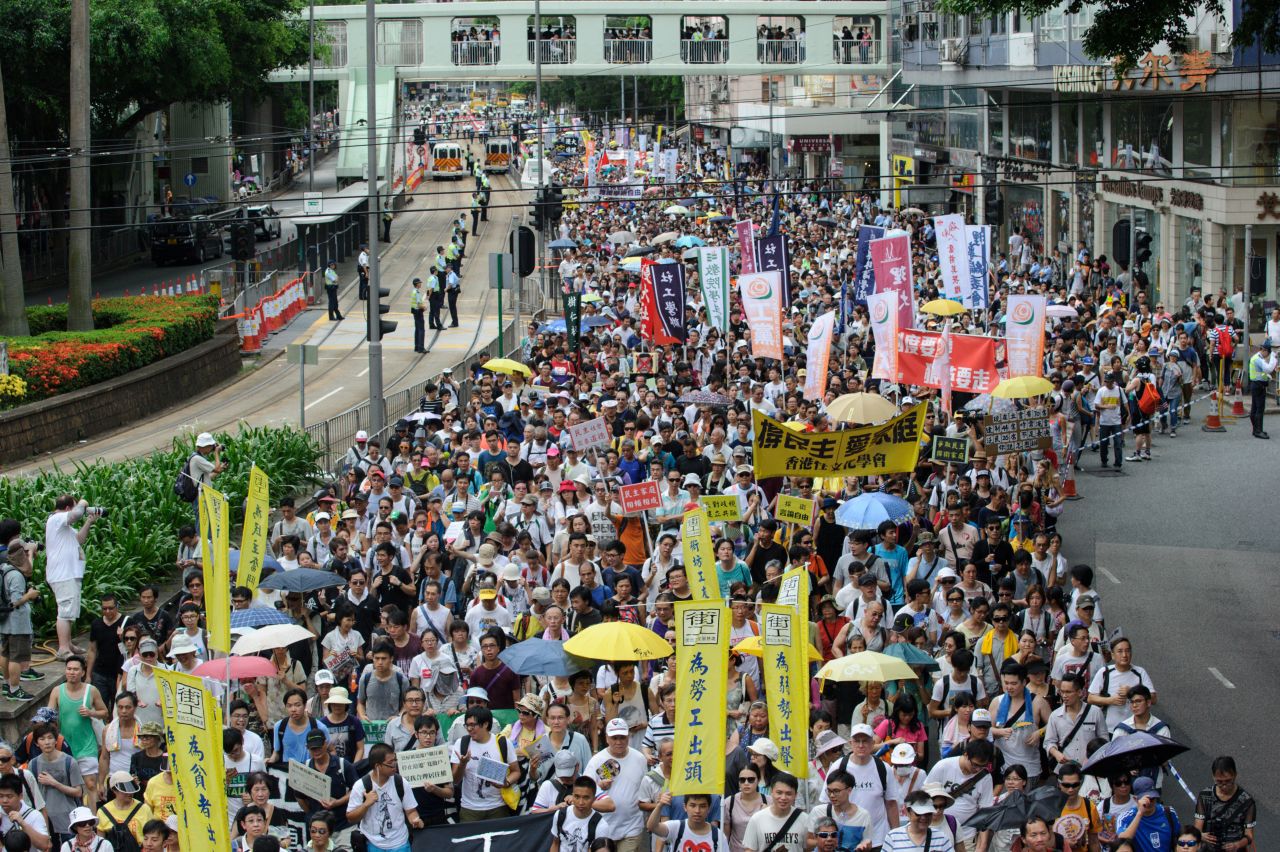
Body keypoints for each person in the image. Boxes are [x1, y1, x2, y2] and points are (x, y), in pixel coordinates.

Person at [44, 497, 102, 660]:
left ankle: (68, 644)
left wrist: (89, 522)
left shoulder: (65, 527)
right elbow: (75, 515)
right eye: (75, 507)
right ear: (69, 507)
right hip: (63, 574)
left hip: (70, 573)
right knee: (65, 611)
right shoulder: (56, 518)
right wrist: (83, 503)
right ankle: (63, 649)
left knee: (69, 610)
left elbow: (79, 540)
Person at [345, 743, 425, 852]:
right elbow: (350, 817)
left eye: (395, 760)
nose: (395, 765)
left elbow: (411, 811)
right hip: (372, 843)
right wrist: (366, 804)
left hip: (400, 843)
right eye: (390, 763)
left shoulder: (400, 782)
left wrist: (415, 819)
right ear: (378, 766)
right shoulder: (361, 786)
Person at [585, 718, 649, 852]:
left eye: (622, 737)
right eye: (614, 738)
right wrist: (599, 785)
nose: (618, 742)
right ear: (607, 738)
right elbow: (585, 791)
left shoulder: (639, 758)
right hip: (604, 827)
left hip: (633, 826)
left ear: (628, 737)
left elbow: (645, 789)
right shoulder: (596, 761)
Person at [450, 706, 519, 821]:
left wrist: (505, 782)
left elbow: (516, 771)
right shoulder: (461, 743)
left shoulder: (503, 743)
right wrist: (463, 764)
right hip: (470, 809)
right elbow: (455, 780)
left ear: (486, 724)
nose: (469, 729)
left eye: (473, 725)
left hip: (498, 807)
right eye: (467, 725)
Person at [0, 535, 41, 700]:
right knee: (16, 657)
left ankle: (7, 684)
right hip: (16, 623)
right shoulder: (16, 575)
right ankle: (15, 690)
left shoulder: (4, 568)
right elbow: (15, 601)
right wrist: (29, 595)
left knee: (5, 653)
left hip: (5, 622)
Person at [1193, 755, 1256, 852]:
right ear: (1213, 776)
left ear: (1235, 775)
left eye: (1228, 781)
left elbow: (1249, 835)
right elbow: (1197, 828)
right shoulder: (1205, 796)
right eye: (1219, 781)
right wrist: (1201, 835)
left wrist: (1237, 845)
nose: (1224, 786)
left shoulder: (1247, 801)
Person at [742, 773, 811, 852]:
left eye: (788, 794)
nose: (783, 798)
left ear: (795, 795)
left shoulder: (804, 819)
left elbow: (807, 849)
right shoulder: (757, 819)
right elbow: (749, 849)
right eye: (779, 793)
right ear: (771, 791)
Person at [1115, 777, 1180, 852]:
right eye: (1145, 800)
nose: (1149, 803)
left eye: (1152, 799)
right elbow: (1122, 840)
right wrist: (1140, 814)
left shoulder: (1168, 812)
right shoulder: (1125, 817)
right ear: (1136, 799)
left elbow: (1178, 839)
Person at [97, 771, 151, 851]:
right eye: (125, 790)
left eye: (131, 789)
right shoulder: (103, 812)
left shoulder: (144, 809)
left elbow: (152, 836)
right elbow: (101, 843)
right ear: (114, 790)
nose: (130, 793)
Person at [882, 791, 953, 852]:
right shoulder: (893, 837)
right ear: (908, 812)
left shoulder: (941, 838)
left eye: (928, 813)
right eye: (918, 813)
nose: (924, 817)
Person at [0, 772, 50, 851]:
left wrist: (23, 824)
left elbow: (45, 845)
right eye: (1, 796)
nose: (4, 800)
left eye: (9, 796)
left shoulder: (34, 815)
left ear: (20, 796)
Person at [1247, 339, 1276, 438]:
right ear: (1265, 350)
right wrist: (1273, 358)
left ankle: (1256, 430)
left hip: (1256, 385)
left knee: (1255, 408)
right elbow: (1268, 368)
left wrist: (1266, 376)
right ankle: (1258, 431)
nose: (1267, 356)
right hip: (1258, 386)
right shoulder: (1258, 359)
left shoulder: (1257, 358)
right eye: (1268, 353)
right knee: (1259, 409)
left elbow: (1262, 371)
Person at [410, 277, 428, 353]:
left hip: (414, 311)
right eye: (420, 283)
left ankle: (416, 346)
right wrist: (424, 307)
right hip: (418, 312)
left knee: (417, 329)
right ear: (417, 284)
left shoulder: (413, 291)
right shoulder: (417, 293)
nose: (421, 284)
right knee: (421, 330)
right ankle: (421, 347)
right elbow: (418, 303)